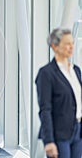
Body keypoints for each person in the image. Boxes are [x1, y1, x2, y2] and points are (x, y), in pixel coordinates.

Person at [35, 28, 82, 158]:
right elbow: (45, 109)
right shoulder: (46, 74)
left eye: (72, 43)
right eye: (67, 44)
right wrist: (49, 141)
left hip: (78, 131)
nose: (71, 47)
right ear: (55, 46)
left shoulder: (76, 70)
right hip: (60, 135)